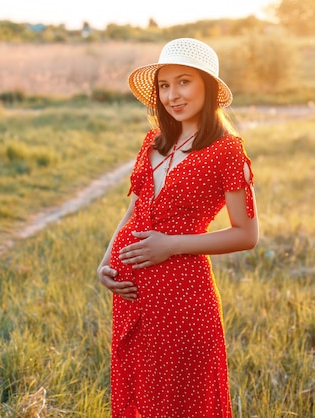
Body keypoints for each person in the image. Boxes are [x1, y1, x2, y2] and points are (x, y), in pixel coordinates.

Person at [96, 38, 259, 418]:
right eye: (165, 86)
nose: (173, 95)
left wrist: (170, 245)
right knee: (140, 395)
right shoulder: (153, 142)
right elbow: (134, 211)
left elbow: (247, 235)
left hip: (182, 296)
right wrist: (105, 264)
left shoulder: (226, 150)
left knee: (181, 401)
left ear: (208, 86)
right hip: (131, 294)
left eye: (184, 82)